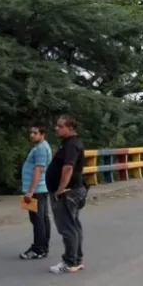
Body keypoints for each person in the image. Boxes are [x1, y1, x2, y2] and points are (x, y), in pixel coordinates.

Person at [46, 114, 87, 274]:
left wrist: (61, 189)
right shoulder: (70, 143)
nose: (56, 128)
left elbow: (68, 167)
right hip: (73, 190)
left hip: (68, 192)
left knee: (67, 227)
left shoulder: (71, 145)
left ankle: (70, 262)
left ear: (70, 128)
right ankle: (76, 259)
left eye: (60, 126)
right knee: (74, 226)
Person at [19, 122, 53, 260]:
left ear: (42, 134)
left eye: (35, 133)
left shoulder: (40, 149)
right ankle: (43, 247)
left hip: (36, 190)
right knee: (42, 219)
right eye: (31, 132)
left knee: (37, 220)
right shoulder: (41, 147)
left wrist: (30, 192)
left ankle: (38, 249)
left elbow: (38, 170)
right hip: (39, 189)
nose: (32, 135)